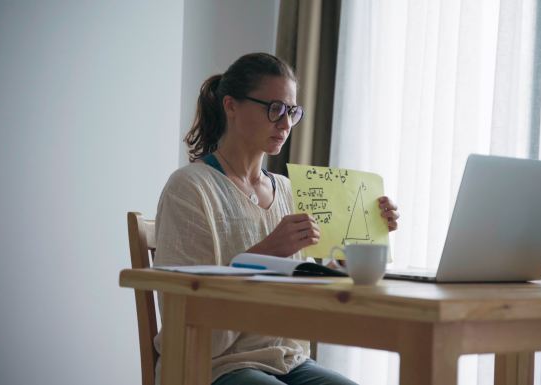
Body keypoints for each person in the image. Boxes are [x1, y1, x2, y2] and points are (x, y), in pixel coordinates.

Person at [153, 52, 400, 385]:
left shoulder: (288, 190)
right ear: (231, 106)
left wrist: (368, 231)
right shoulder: (190, 187)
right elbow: (187, 317)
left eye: (291, 111)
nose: (285, 124)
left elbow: (309, 282)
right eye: (274, 109)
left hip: (287, 360)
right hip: (211, 365)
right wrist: (266, 252)